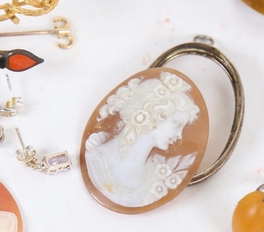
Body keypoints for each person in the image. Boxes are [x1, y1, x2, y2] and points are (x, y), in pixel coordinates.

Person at [85, 71, 200, 207]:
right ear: (154, 112)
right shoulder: (94, 160)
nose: (179, 135)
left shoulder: (156, 177)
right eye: (177, 124)